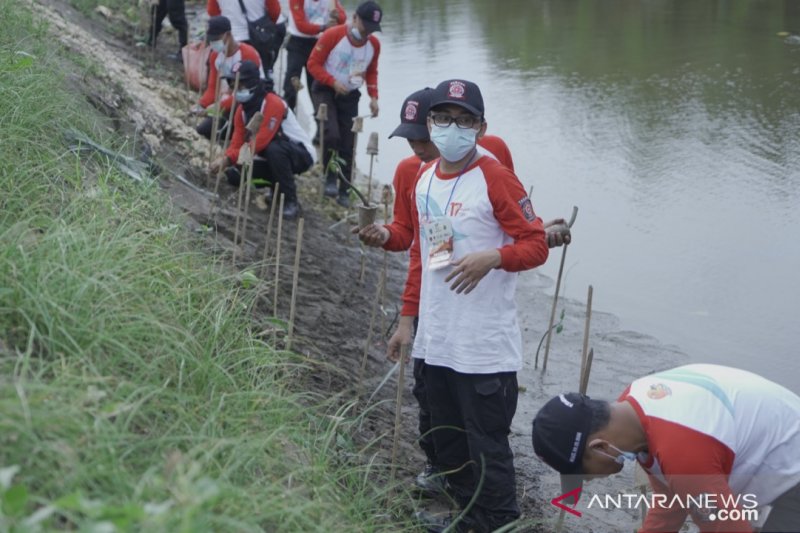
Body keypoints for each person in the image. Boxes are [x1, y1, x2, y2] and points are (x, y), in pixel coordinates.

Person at [356, 87, 571, 499]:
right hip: (438, 327)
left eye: (462, 121)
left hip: (481, 332)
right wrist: (406, 317)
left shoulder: (492, 163)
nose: (422, 146)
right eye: (418, 137)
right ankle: (451, 492)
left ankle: (488, 514)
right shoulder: (417, 177)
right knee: (440, 420)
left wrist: (514, 247)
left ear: (477, 127)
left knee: (486, 438)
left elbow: (510, 223)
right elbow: (420, 246)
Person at [532, 364, 800, 533]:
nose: (593, 480)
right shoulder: (633, 409)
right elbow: (672, 502)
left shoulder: (683, 453)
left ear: (601, 446)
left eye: (587, 475)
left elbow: (726, 526)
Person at [209, 60, 315, 221]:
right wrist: (226, 158)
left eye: (240, 85)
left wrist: (228, 159)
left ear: (252, 83)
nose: (236, 89)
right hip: (268, 155)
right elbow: (237, 142)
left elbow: (260, 142)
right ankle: (275, 186)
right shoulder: (241, 111)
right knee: (236, 172)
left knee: (274, 149)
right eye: (233, 85)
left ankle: (291, 201)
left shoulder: (273, 103)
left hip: (299, 153)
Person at [307, 0, 382, 208]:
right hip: (325, 90)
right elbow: (312, 64)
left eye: (372, 30)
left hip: (350, 95)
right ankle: (330, 175)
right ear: (355, 18)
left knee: (348, 143)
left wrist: (374, 97)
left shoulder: (374, 45)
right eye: (364, 27)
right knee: (331, 134)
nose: (367, 33)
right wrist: (332, 82)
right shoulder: (333, 35)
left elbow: (372, 71)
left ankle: (345, 187)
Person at [192, 16, 265, 142]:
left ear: (228, 35)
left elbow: (249, 91)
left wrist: (219, 106)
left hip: (252, 100)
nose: (213, 43)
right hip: (231, 101)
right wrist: (201, 105)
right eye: (211, 40)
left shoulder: (247, 54)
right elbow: (213, 88)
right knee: (204, 130)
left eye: (216, 39)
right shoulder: (215, 56)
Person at [283, 0, 346, 111]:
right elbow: (300, 25)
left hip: (319, 45)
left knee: (316, 87)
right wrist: (323, 27)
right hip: (298, 43)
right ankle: (286, 116)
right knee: (291, 85)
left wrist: (337, 16)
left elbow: (342, 18)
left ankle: (320, 123)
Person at [207, 0, 284, 80]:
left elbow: (213, 13)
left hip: (229, 40)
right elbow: (275, 12)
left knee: (230, 80)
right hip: (258, 38)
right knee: (260, 80)